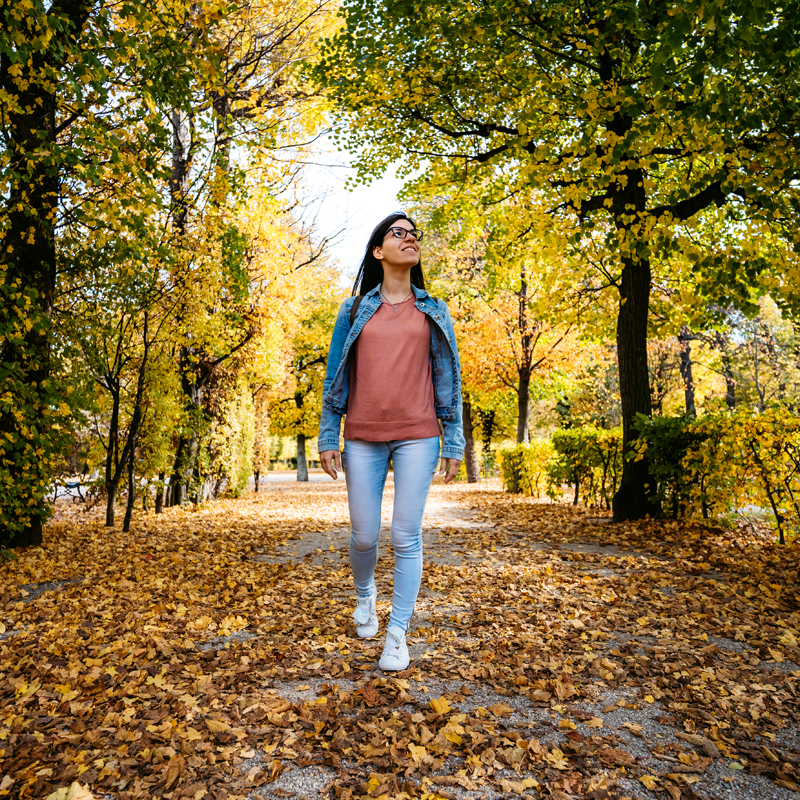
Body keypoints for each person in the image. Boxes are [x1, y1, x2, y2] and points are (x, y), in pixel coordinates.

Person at [317, 212, 465, 671]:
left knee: (405, 535)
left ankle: (398, 633)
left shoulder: (434, 310)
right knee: (364, 536)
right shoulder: (354, 309)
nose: (410, 239)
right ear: (379, 250)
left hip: (418, 434)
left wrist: (452, 440)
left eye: (414, 234)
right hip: (362, 437)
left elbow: (451, 378)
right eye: (398, 233)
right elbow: (335, 374)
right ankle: (366, 597)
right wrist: (328, 433)